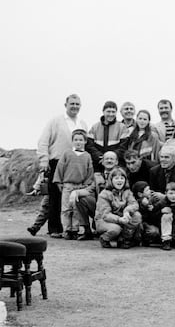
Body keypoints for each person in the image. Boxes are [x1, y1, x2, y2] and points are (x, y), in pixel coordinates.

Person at [36, 94, 89, 237]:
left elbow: (87, 145)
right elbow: (43, 141)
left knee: (72, 199)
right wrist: (44, 160)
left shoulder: (82, 123)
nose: (75, 107)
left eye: (77, 104)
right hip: (57, 162)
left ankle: (72, 229)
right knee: (55, 196)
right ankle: (54, 229)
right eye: (72, 103)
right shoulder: (55, 121)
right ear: (65, 105)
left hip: (76, 164)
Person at [52, 129, 95, 240]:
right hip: (67, 185)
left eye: (81, 140)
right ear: (72, 141)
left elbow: (90, 171)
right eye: (75, 140)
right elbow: (60, 168)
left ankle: (75, 230)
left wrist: (86, 184)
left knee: (76, 210)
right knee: (66, 209)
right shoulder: (67, 153)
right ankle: (67, 229)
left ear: (85, 141)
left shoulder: (87, 156)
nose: (78, 142)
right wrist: (58, 182)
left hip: (80, 186)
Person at [95, 167, 141, 249]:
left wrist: (127, 211)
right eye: (116, 178)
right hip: (105, 220)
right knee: (115, 229)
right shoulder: (104, 194)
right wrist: (119, 219)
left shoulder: (128, 192)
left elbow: (134, 204)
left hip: (122, 218)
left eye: (122, 178)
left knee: (137, 216)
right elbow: (105, 215)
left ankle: (124, 238)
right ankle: (105, 238)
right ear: (111, 180)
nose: (119, 180)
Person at [86, 101, 127, 172]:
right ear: (103, 111)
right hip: (98, 164)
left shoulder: (122, 127)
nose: (111, 114)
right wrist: (101, 157)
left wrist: (111, 158)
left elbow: (124, 146)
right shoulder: (95, 127)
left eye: (113, 112)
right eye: (108, 111)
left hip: (116, 165)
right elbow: (90, 146)